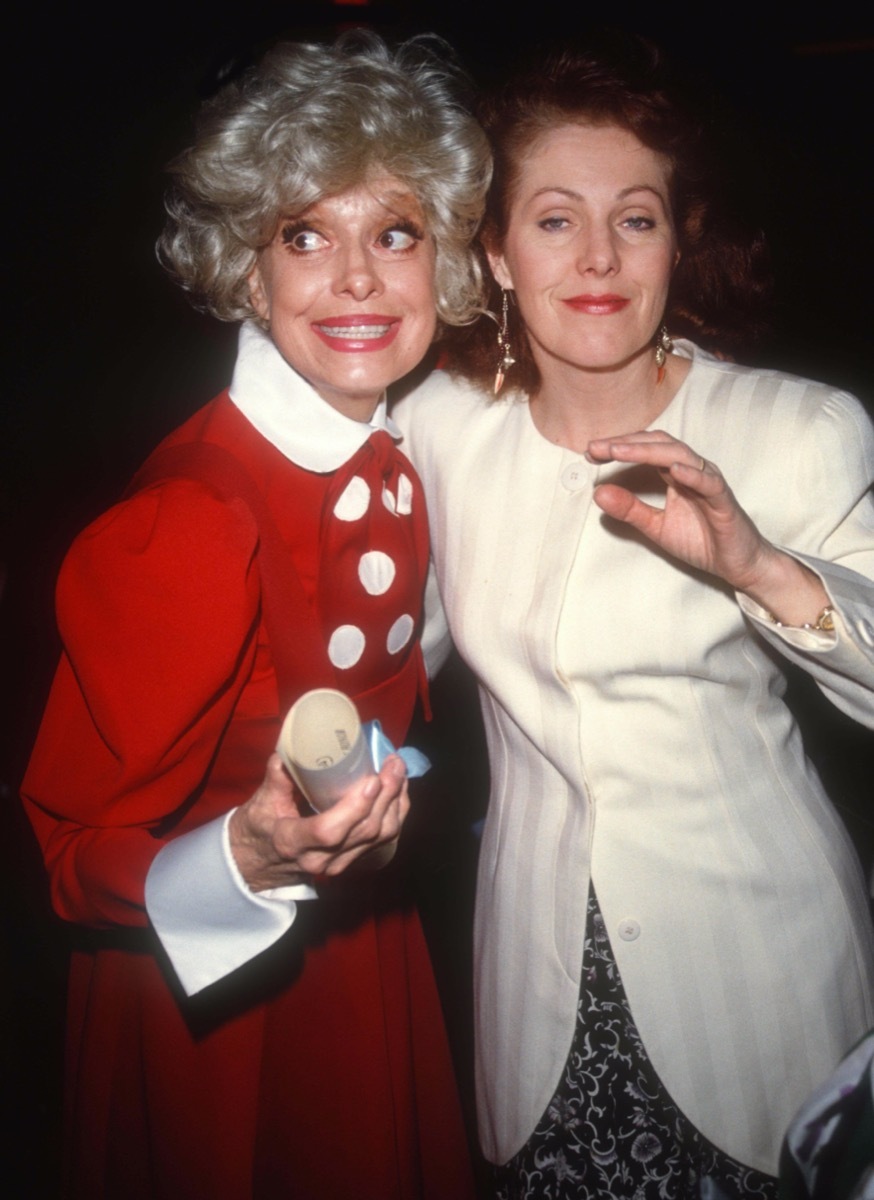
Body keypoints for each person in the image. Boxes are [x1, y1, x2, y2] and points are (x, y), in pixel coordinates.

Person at [393, 35, 874, 1200]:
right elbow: (379, 648)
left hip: (764, 982)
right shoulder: (441, 427)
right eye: (553, 219)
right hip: (533, 997)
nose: (597, 256)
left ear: (677, 242)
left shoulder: (795, 427)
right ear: (496, 253)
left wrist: (762, 569)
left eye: (637, 218)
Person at [22, 32, 490, 1200]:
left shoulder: (397, 454)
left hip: (367, 951)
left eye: (394, 233)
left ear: (446, 263)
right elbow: (65, 857)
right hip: (210, 1006)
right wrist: (243, 856)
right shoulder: (191, 517)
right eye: (303, 235)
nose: (354, 279)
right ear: (246, 265)